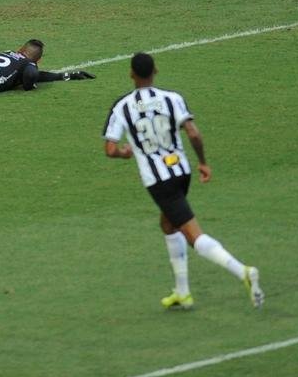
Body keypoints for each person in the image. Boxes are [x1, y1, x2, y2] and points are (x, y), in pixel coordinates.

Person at [102, 52, 263, 310]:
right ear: (156, 70)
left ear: (131, 74)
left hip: (158, 181)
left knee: (193, 235)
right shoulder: (172, 98)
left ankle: (243, 271)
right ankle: (182, 292)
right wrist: (203, 162)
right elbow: (193, 133)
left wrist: (125, 153)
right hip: (182, 171)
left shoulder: (122, 106)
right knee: (168, 225)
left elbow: (110, 149)